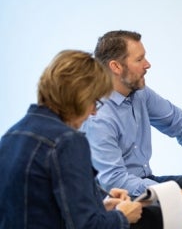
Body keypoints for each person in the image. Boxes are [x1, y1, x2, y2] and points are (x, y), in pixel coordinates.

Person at [81, 30, 182, 228]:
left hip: (144, 182)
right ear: (115, 66)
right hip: (116, 198)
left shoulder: (140, 94)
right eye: (139, 59)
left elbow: (176, 121)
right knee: (161, 213)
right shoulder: (99, 116)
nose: (148, 64)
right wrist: (169, 194)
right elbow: (115, 180)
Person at [0, 50, 143, 228]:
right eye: (94, 101)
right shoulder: (67, 141)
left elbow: (40, 209)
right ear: (80, 95)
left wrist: (99, 207)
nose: (94, 112)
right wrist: (122, 216)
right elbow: (87, 226)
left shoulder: (10, 136)